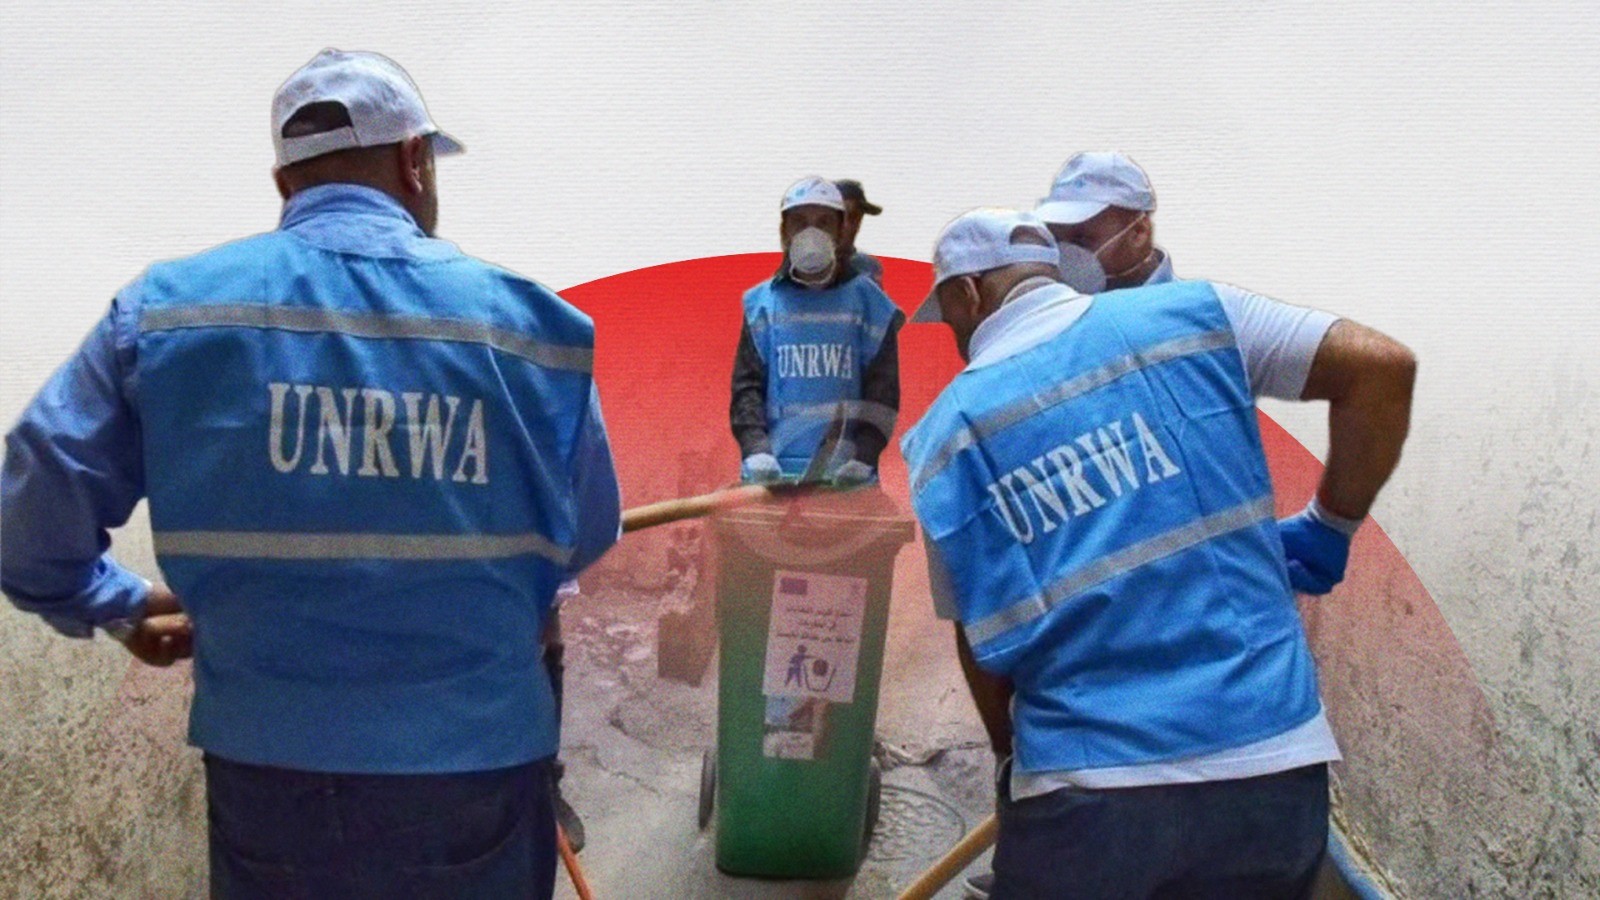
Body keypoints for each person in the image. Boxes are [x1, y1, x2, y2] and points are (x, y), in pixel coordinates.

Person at [1, 48, 620, 899]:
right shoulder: (534, 328)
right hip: (475, 771)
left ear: (284, 181)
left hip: (270, 782)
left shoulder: (168, 315)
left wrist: (117, 604)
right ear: (414, 161)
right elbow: (587, 533)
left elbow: (29, 520)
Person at [902, 208, 1416, 899]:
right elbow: (1382, 367)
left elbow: (979, 638)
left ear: (967, 295)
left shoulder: (945, 440)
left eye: (950, 318)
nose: (957, 336)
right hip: (1271, 776)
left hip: (1086, 799)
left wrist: (1012, 764)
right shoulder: (1197, 314)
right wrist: (1331, 524)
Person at [730, 176, 903, 485]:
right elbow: (747, 390)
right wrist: (756, 451)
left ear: (840, 229)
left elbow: (882, 394)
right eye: (799, 222)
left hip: (845, 478)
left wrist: (863, 457)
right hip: (771, 476)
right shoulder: (761, 305)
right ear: (784, 232)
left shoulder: (870, 304)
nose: (811, 233)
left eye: (823, 222)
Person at [1034, 151, 1173, 292]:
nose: (1064, 256)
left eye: (1080, 241)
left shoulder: (1182, 303)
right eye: (1054, 240)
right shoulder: (1048, 302)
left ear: (1139, 232)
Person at [834, 178, 886, 284]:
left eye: (856, 217)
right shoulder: (807, 264)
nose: (849, 225)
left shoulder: (869, 266)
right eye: (841, 217)